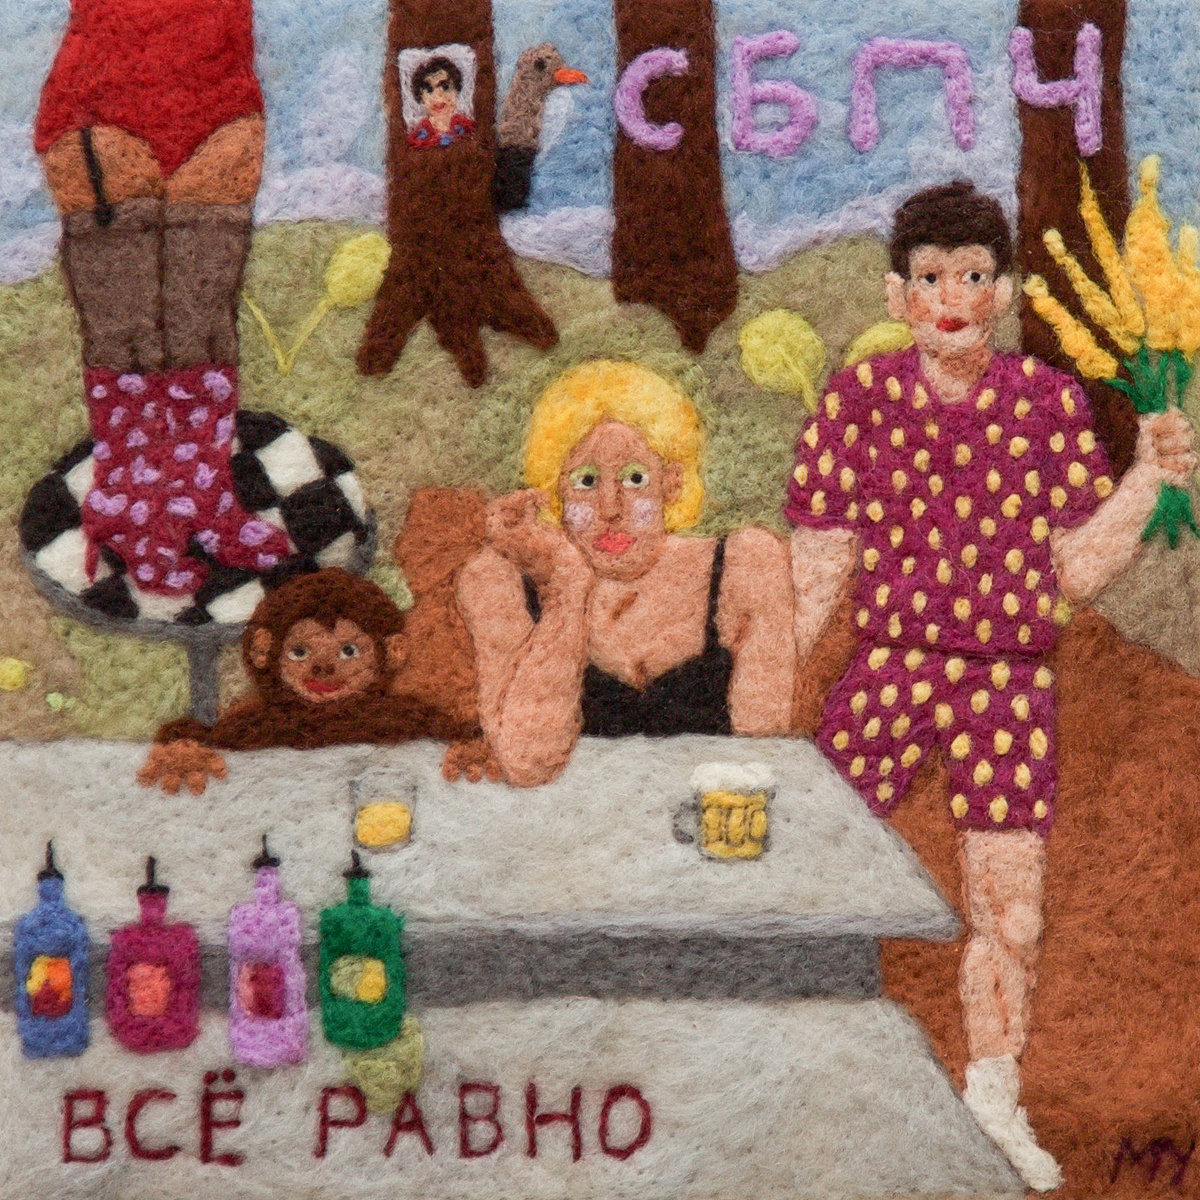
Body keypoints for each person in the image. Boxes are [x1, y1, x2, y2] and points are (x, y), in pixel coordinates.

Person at [785, 181, 1195, 1191]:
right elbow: (820, 558)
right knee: (808, 866)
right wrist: (764, 686)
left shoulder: (1047, 403)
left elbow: (1074, 571)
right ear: (897, 294)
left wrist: (1147, 481)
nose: (951, 298)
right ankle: (794, 1069)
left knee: (1010, 910)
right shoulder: (859, 400)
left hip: (1008, 680)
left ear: (1003, 292)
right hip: (888, 667)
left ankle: (993, 1095)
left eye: (972, 276)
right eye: (931, 278)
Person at [34, 0, 291, 595]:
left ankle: (203, 496)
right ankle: (129, 507)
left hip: (223, 108)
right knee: (128, 330)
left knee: (203, 323)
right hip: (106, 110)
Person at [455, 360, 795, 786]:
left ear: (671, 482)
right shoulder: (498, 579)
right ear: (552, 492)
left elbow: (762, 761)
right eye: (585, 481)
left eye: (635, 478)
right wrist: (566, 590)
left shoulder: (744, 567)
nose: (611, 509)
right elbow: (527, 762)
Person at [407, 57, 476, 150]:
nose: (438, 96)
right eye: (429, 90)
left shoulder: (468, 128)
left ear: (456, 90)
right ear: (420, 96)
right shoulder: (416, 138)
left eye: (445, 87)